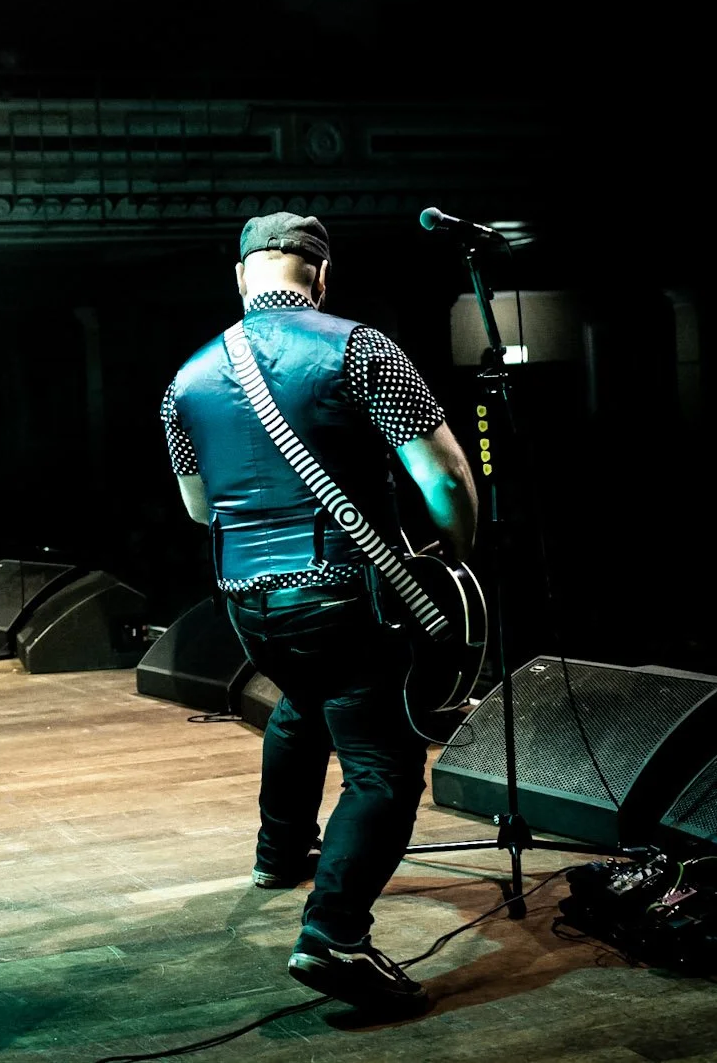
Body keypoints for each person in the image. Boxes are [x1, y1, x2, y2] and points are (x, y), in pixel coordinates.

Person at [161, 213, 478, 1017]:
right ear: (322, 274)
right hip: (344, 594)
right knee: (384, 769)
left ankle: (279, 853)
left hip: (246, 603)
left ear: (241, 277)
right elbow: (444, 479)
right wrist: (456, 548)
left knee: (302, 702)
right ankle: (335, 933)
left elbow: (200, 508)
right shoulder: (362, 348)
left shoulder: (186, 379)